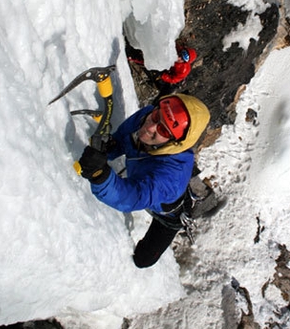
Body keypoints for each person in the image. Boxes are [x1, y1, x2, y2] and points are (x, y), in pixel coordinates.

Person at [78, 93, 210, 268]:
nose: (150, 127)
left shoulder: (171, 178)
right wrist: (106, 150)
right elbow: (122, 140)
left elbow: (133, 197)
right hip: (156, 187)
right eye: (157, 116)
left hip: (169, 216)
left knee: (143, 260)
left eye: (163, 130)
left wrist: (99, 175)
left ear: (175, 143)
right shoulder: (146, 116)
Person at [125, 39, 197, 92]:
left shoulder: (183, 70)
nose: (179, 57)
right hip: (167, 65)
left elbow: (173, 79)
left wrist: (163, 76)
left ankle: (132, 57)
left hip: (170, 75)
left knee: (153, 69)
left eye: (183, 58)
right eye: (181, 53)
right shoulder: (177, 49)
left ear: (185, 62)